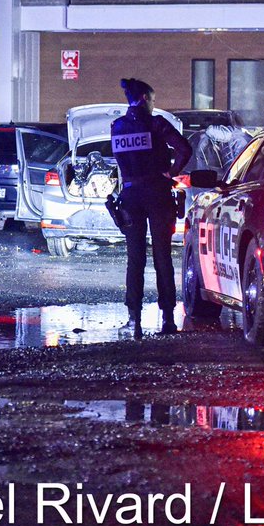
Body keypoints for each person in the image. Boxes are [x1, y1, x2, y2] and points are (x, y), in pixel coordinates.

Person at [110, 78, 193, 339]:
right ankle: (167, 318)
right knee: (162, 257)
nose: (154, 105)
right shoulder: (157, 124)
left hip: (130, 196)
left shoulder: (117, 126)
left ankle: (134, 319)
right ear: (145, 98)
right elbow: (185, 149)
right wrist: (172, 172)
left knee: (135, 259)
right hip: (158, 193)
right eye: (153, 100)